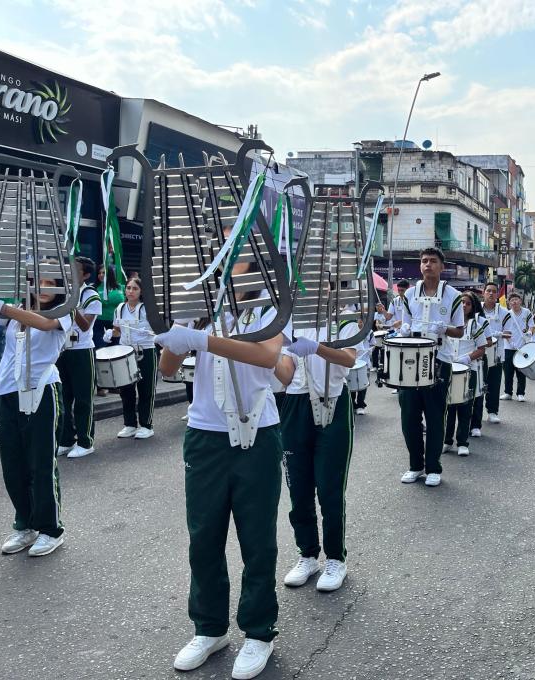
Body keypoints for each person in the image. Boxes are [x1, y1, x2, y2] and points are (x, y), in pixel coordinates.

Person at [156, 256, 290, 679]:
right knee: (204, 538)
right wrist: (177, 338)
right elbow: (166, 368)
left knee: (257, 540)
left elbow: (269, 357)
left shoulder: (270, 308)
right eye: (227, 261)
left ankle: (258, 632)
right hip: (205, 436)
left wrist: (201, 338)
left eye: (243, 261)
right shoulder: (202, 307)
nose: (232, 268)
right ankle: (209, 628)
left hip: (257, 434)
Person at [275, 313, 357, 594]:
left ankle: (336, 558)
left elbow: (348, 359)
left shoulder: (344, 317)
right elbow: (285, 373)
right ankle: (307, 554)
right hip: (295, 404)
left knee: (330, 489)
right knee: (298, 488)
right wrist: (267, 352)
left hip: (332, 402)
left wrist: (316, 347)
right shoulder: (289, 320)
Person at [0, 280, 72, 558]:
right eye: (36, 281)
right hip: (6, 391)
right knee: (13, 465)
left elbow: (44, 325)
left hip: (40, 391)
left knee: (41, 463)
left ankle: (50, 530)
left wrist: (2, 307)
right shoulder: (17, 311)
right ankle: (24, 525)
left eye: (50, 282)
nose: (42, 286)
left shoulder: (64, 312)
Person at [396, 248, 464, 487]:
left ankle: (433, 466)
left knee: (435, 416)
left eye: (433, 261)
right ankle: (415, 465)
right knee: (408, 417)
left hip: (439, 360)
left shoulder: (453, 295)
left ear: (441, 266)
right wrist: (403, 330)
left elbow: (460, 330)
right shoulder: (410, 294)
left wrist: (443, 329)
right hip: (410, 361)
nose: (427, 265)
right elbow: (404, 325)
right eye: (424, 261)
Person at [57, 257, 101, 459]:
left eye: (76, 270)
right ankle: (66, 439)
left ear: (85, 275)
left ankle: (85, 441)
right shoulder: (61, 292)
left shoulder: (90, 295)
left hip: (82, 350)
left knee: (83, 399)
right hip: (61, 350)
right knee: (63, 398)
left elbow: (85, 326)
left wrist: (72, 304)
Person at [107, 277, 157, 440]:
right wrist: (110, 334)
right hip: (126, 352)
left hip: (146, 351)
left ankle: (146, 425)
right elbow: (117, 330)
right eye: (128, 288)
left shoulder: (147, 308)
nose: (130, 291)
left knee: (145, 389)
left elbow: (158, 328)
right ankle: (129, 424)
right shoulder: (120, 308)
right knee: (126, 390)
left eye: (135, 288)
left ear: (141, 291)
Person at [444, 291, 488, 456]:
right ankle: (447, 441)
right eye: (461, 302)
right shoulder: (447, 323)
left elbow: (482, 348)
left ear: (472, 307)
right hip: (449, 370)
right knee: (447, 408)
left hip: (468, 371)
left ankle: (462, 442)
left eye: (468, 303)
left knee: (465, 408)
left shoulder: (475, 325)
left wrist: (468, 358)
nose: (464, 306)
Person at [479, 282, 509, 424]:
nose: (491, 294)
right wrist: (496, 334)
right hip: (478, 352)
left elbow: (508, 333)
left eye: (494, 291)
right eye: (488, 291)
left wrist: (492, 335)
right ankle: (475, 415)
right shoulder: (476, 309)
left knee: (494, 384)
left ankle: (492, 411)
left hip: (496, 354)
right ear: (483, 293)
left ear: (497, 295)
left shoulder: (504, 312)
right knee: (478, 384)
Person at [94, 266, 124, 395]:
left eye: (104, 273)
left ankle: (112, 384)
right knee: (100, 352)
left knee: (114, 353)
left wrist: (104, 300)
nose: (101, 275)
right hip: (98, 324)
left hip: (115, 324)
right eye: (99, 273)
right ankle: (100, 385)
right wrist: (105, 300)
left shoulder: (119, 287)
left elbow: (118, 300)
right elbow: (104, 301)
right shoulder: (94, 287)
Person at [501, 293, 534, 402]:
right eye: (512, 300)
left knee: (521, 371)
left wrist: (529, 332)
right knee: (508, 371)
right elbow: (504, 330)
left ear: (520, 301)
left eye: (516, 299)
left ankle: (520, 393)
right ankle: (507, 392)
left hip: (523, 346)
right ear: (509, 303)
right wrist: (510, 342)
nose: (514, 302)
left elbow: (532, 325)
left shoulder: (527, 312)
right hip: (508, 347)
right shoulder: (506, 314)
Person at [351, 316, 372, 415]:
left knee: (363, 385)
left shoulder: (370, 332)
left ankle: (360, 405)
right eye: (359, 322)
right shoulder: (352, 332)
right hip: (353, 362)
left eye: (363, 322)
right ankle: (352, 404)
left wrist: (370, 350)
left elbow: (373, 344)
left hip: (364, 363)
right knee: (352, 384)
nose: (361, 324)